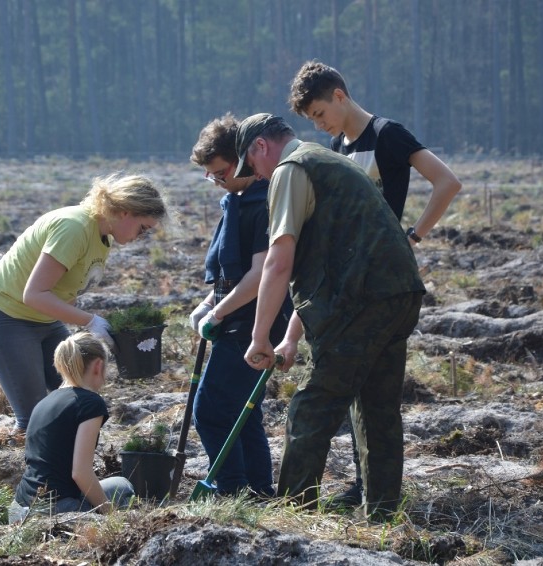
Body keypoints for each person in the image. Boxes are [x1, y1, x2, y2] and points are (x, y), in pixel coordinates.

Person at [236, 113, 426, 523]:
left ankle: (291, 520)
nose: (257, 176)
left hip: (361, 299)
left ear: (260, 148)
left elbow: (278, 262)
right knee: (376, 408)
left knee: (311, 406)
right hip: (398, 292)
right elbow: (329, 255)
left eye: (252, 167)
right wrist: (289, 335)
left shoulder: (291, 169)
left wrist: (259, 336)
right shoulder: (327, 159)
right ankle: (382, 517)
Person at [289, 60, 462, 505]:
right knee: (358, 397)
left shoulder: (388, 135)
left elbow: (447, 182)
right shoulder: (335, 147)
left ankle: (370, 497)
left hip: (381, 284)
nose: (319, 123)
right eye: (311, 121)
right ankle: (369, 492)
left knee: (369, 399)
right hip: (346, 286)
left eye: (320, 113)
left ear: (340, 96)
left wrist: (414, 235)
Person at [0, 173, 168, 440]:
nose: (141, 236)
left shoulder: (103, 238)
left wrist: (94, 328)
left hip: (44, 319)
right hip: (6, 316)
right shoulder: (74, 227)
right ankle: (25, 477)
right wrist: (90, 322)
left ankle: (73, 467)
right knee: (32, 417)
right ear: (125, 212)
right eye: (143, 228)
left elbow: (65, 290)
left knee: (79, 397)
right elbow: (34, 294)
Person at [187, 113, 292, 497]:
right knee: (241, 413)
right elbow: (229, 275)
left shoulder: (264, 202)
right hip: (236, 316)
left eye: (220, 171)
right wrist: (208, 303)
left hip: (254, 322)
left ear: (246, 159)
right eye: (210, 175)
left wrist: (218, 312)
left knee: (212, 411)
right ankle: (259, 492)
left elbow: (261, 273)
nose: (216, 179)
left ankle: (232, 492)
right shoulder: (235, 201)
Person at [9, 332, 134, 523]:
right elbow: (80, 473)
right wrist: (111, 516)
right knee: (124, 486)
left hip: (19, 508)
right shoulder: (90, 403)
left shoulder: (45, 401)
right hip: (55, 511)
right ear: (98, 365)